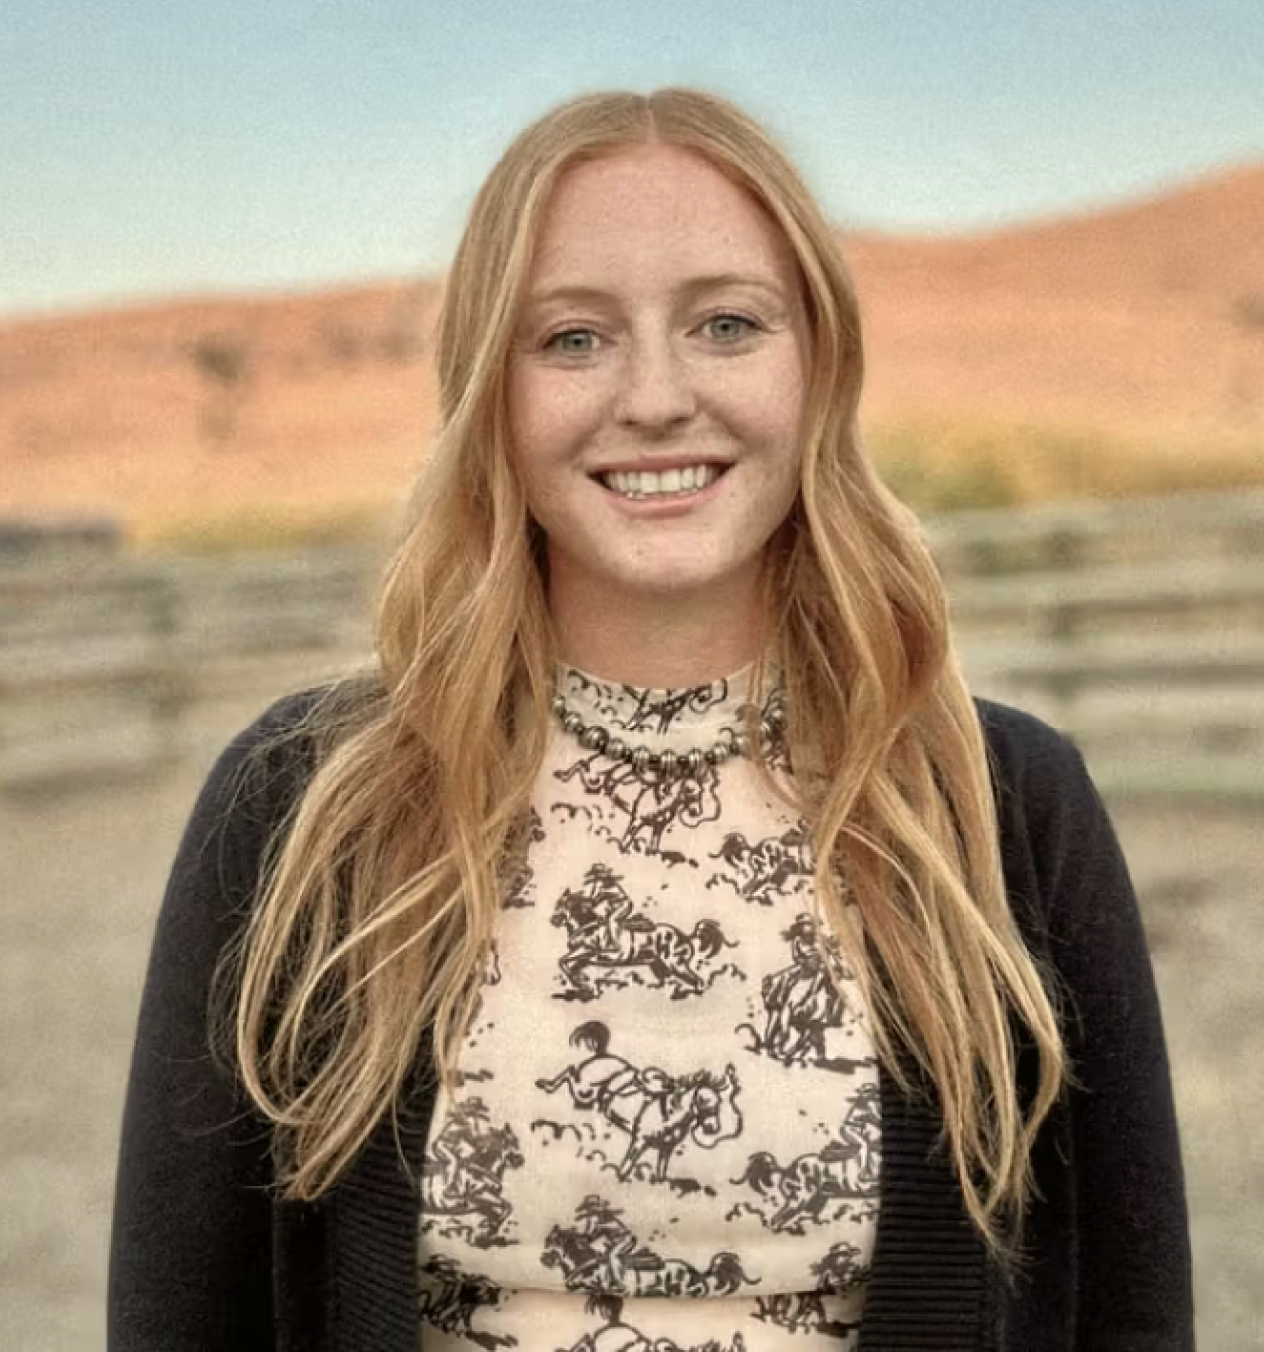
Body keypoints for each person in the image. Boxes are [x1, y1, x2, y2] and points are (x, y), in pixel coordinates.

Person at [108, 88, 1194, 1351]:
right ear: (489, 387)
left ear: (818, 360)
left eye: (726, 324)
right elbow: (178, 1316)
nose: (657, 397)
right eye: (572, 338)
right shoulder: (304, 805)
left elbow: (1134, 1312)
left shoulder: (998, 806)